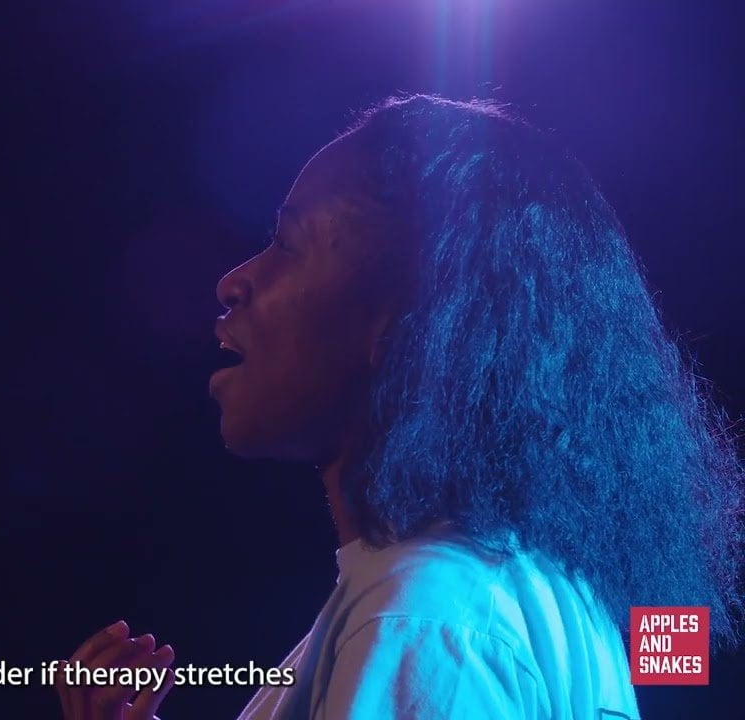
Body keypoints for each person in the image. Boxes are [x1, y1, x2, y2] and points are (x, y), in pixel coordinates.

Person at [53, 94, 744, 719]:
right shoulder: (517, 598)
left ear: (409, 317)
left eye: (287, 244)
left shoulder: (426, 625)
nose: (234, 281)